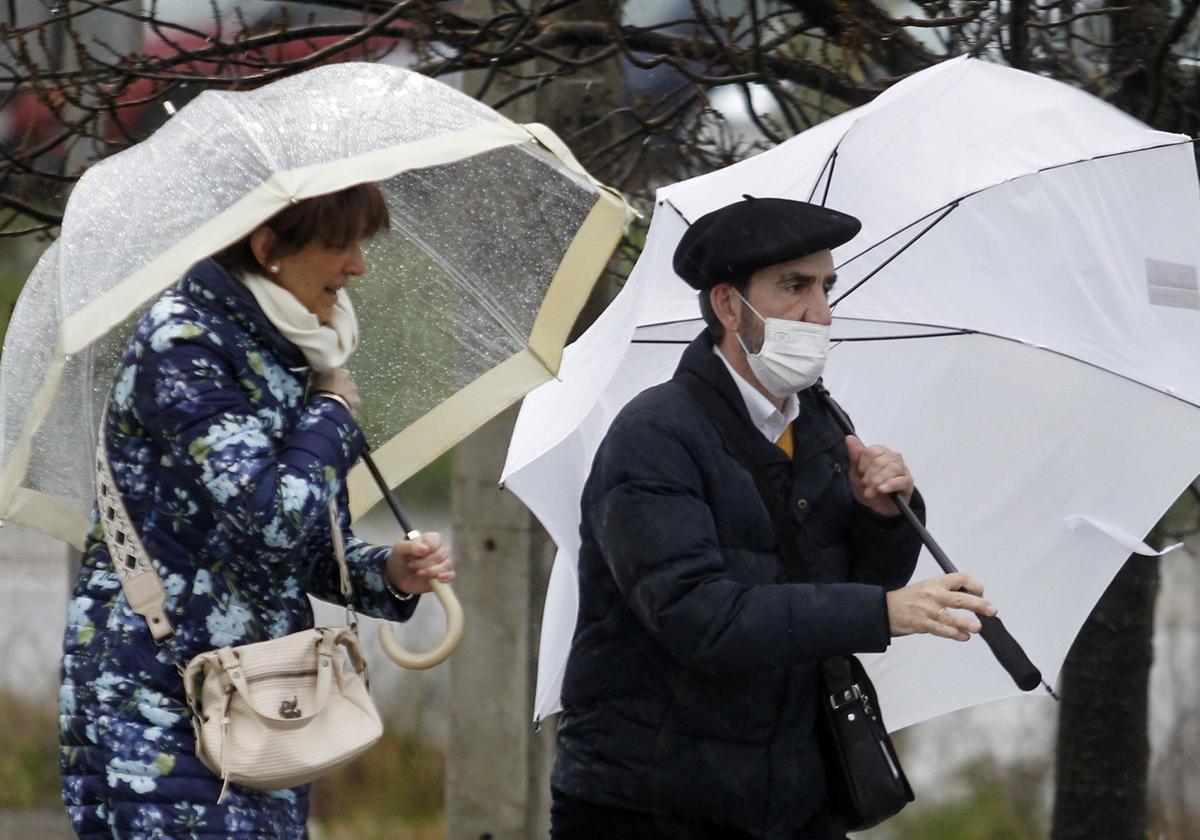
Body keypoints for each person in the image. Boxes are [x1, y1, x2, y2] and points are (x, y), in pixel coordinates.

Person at [550, 197, 996, 840]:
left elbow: (833, 588)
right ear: (729, 306)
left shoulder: (820, 425)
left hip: (791, 799)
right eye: (795, 286)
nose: (820, 312)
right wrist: (884, 611)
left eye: (826, 285)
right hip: (649, 804)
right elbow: (698, 616)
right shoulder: (654, 435)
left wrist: (883, 518)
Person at [58, 183, 454, 839]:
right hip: (159, 701)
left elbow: (289, 548)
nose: (358, 265)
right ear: (268, 248)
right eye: (339, 245)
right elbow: (270, 514)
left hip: (263, 700)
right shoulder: (184, 346)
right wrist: (331, 414)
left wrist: (387, 573)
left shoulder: (287, 351)